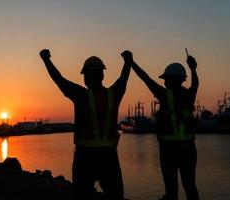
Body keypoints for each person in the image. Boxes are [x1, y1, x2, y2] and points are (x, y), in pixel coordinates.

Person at [39, 49, 132, 200]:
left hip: (85, 158)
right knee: (115, 196)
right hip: (109, 158)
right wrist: (128, 61)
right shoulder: (114, 94)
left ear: (86, 77)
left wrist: (46, 59)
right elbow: (124, 78)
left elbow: (59, 79)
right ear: (102, 75)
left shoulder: (80, 95)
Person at [126, 52, 199, 200]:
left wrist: (131, 63)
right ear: (182, 79)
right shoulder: (189, 95)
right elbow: (196, 84)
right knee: (190, 185)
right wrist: (193, 68)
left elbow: (145, 78)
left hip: (169, 150)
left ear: (171, 80)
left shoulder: (163, 95)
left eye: (165, 79)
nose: (164, 82)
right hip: (188, 148)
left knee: (171, 189)